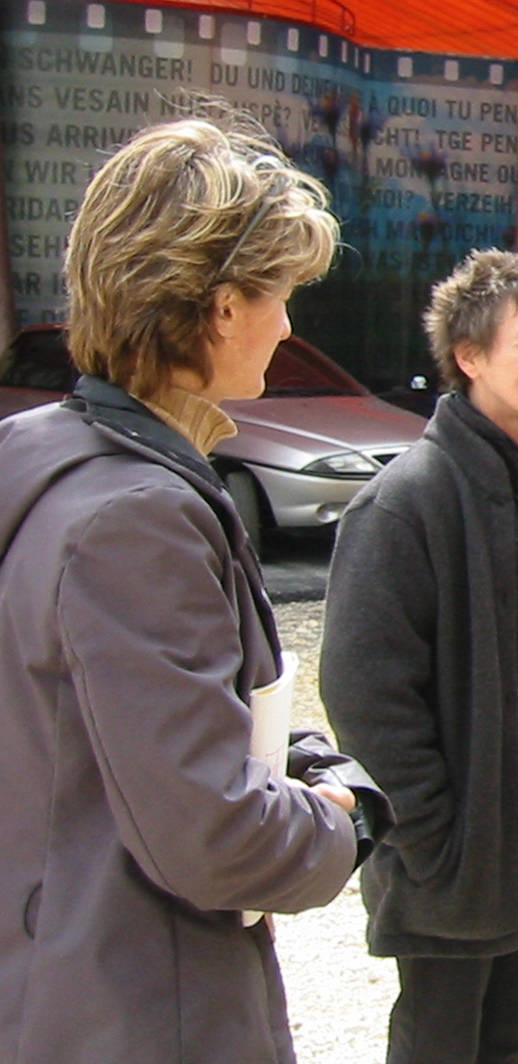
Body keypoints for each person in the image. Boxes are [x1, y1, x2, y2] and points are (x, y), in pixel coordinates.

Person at [0, 114, 389, 1062]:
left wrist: (292, 751)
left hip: (52, 977)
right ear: (220, 309)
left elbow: (112, 727)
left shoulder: (40, 459)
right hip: (137, 1006)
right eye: (280, 296)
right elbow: (216, 838)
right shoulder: (137, 517)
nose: (287, 326)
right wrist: (342, 820)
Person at [319, 249, 518, 1064]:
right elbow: (366, 694)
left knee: (515, 1041)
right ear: (469, 357)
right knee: (440, 1046)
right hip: (458, 859)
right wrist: (434, 837)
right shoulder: (407, 502)